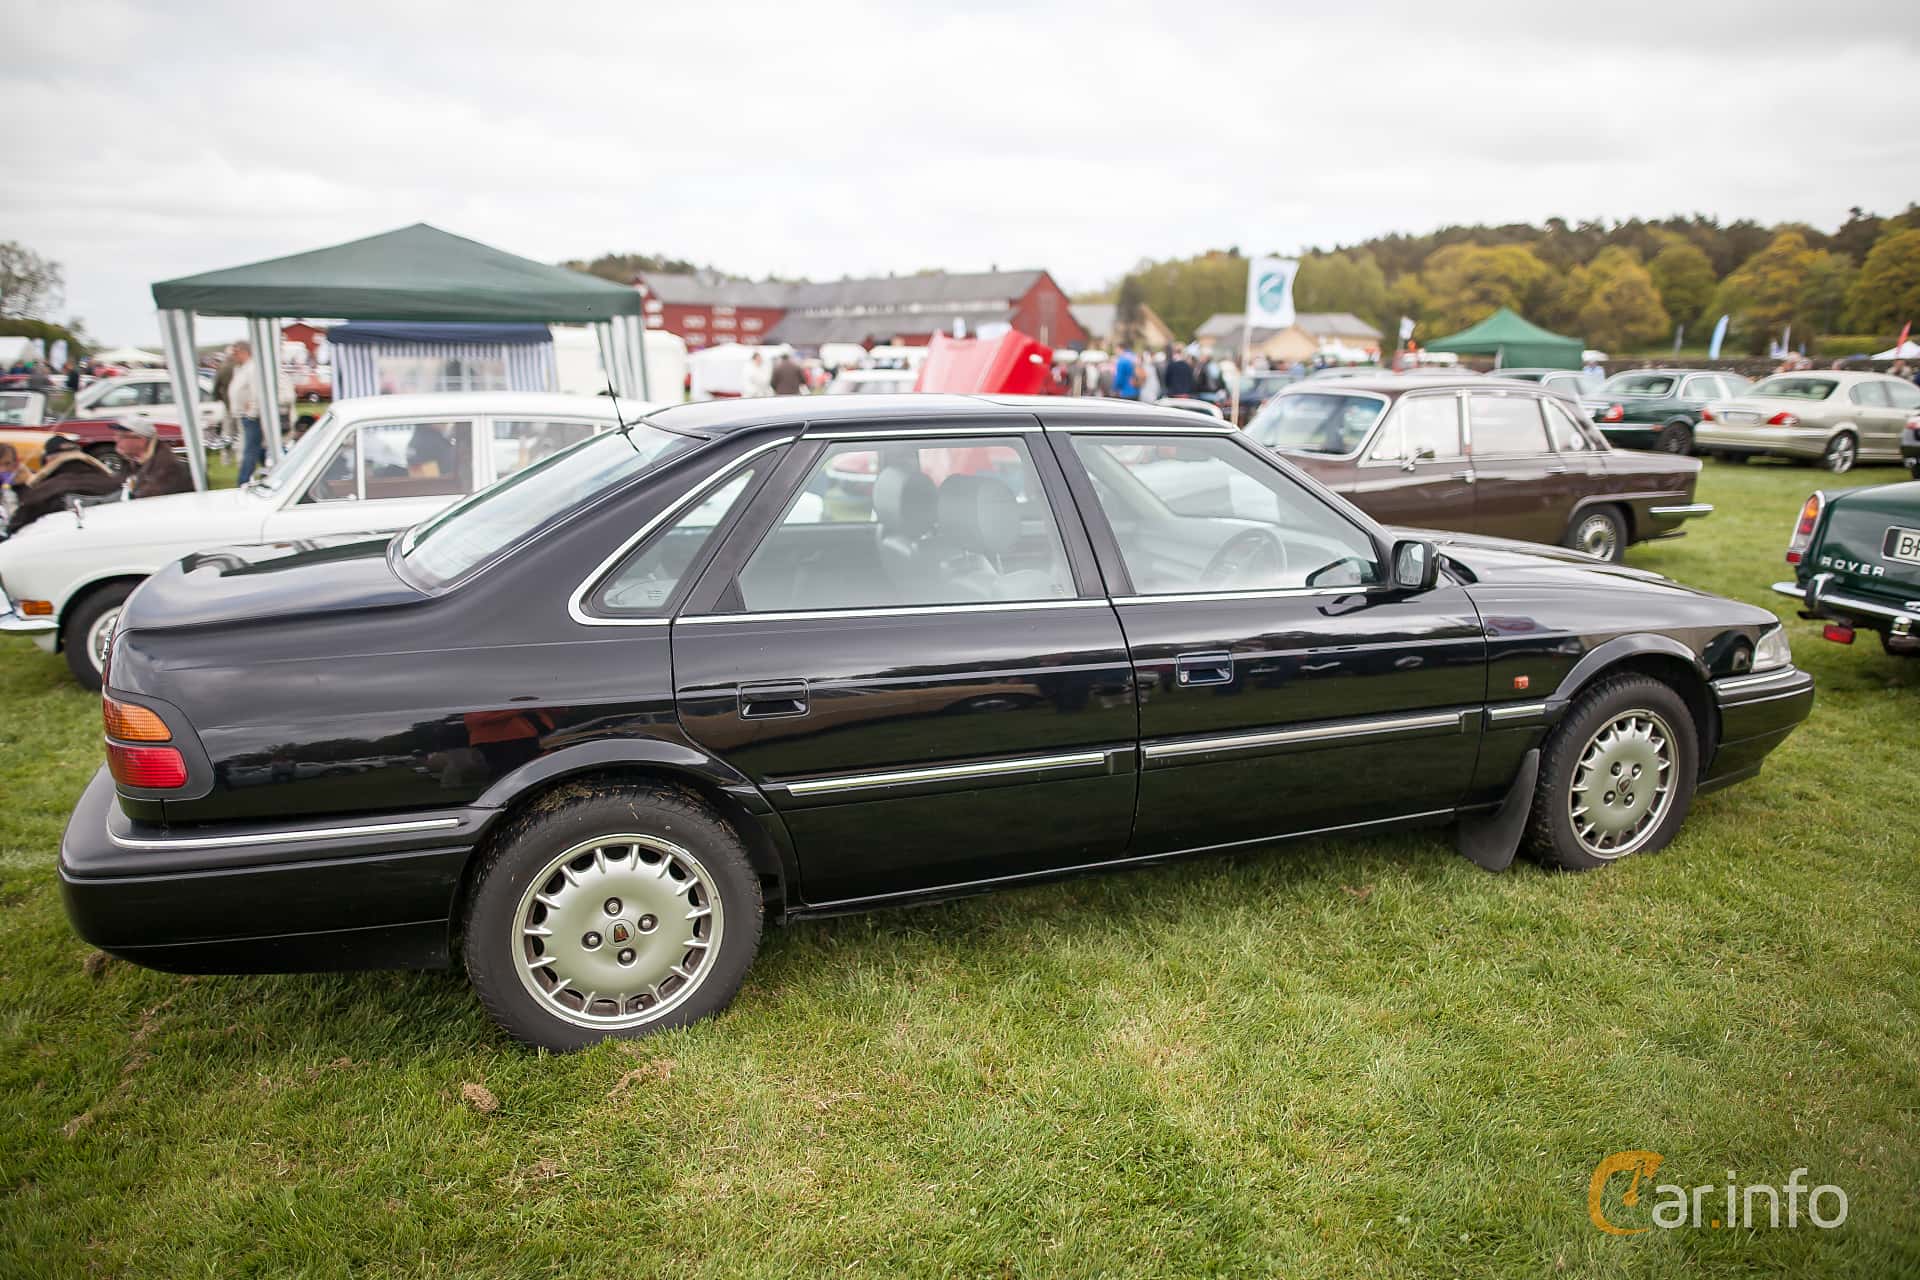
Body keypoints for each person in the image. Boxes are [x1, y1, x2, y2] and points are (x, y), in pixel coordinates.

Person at [6, 436, 119, 533]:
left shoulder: (46, 491)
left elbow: (16, 526)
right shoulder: (116, 484)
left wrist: (21, 488)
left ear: (48, 460)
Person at [113, 420, 193, 499]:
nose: (116, 440)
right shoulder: (140, 462)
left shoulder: (167, 468)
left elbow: (144, 500)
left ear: (141, 440)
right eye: (116, 436)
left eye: (122, 437)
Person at [226, 341, 266, 483]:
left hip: (251, 417)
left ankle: (242, 481)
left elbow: (256, 392)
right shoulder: (241, 369)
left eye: (235, 353)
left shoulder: (252, 368)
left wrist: (253, 412)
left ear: (244, 352)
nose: (233, 356)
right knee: (259, 450)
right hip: (244, 415)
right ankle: (269, 473)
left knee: (250, 451)